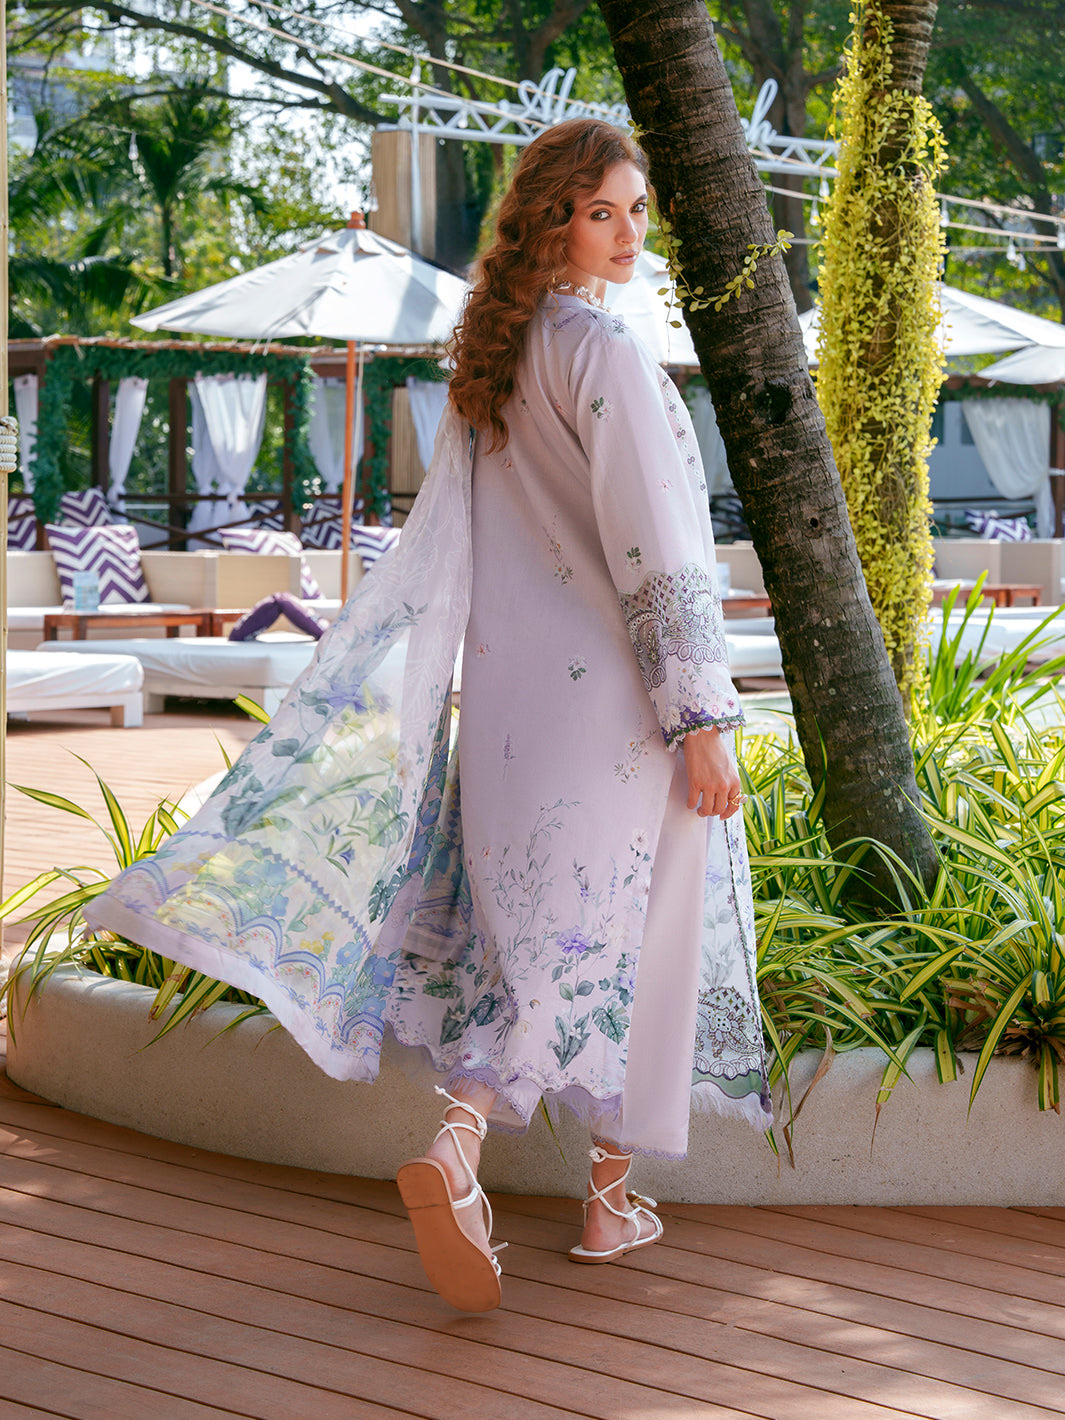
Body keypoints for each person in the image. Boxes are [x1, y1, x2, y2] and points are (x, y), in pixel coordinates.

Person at [85, 118, 770, 1318]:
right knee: (622, 934)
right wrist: (700, 714)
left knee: (541, 937)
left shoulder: (494, 359)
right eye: (601, 212)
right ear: (552, 221)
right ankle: (501, 1167)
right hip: (620, 710)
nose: (628, 233)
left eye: (636, 211)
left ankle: (568, 1188)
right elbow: (657, 550)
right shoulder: (603, 352)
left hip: (509, 708)